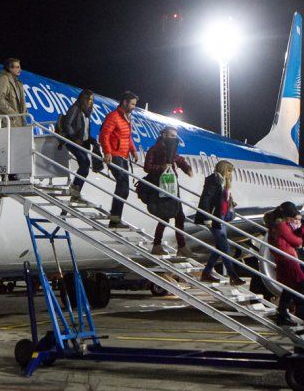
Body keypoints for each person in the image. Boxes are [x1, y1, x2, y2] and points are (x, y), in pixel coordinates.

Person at [143, 126, 193, 256]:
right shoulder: (154, 150)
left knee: (179, 216)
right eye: (171, 136)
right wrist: (161, 167)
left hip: (172, 185)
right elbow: (147, 167)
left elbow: (179, 160)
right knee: (165, 216)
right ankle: (157, 245)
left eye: (175, 136)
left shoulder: (172, 151)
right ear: (164, 135)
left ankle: (181, 247)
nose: (174, 139)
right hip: (162, 185)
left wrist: (187, 169)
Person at [194, 160, 244, 286]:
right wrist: (207, 217)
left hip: (221, 218)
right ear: (223, 169)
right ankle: (233, 276)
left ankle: (206, 272)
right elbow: (206, 199)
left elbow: (221, 199)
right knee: (225, 247)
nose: (230, 174)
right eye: (228, 171)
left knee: (219, 247)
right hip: (214, 218)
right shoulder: (213, 180)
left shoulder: (222, 182)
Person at [99, 91, 139, 229]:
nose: (134, 107)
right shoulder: (113, 117)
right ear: (125, 102)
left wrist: (133, 150)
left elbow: (128, 137)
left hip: (123, 156)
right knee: (122, 182)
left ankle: (116, 218)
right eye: (133, 104)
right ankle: (115, 219)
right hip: (114, 154)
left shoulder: (127, 118)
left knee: (125, 188)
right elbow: (104, 135)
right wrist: (107, 152)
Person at [265, 201, 304, 326]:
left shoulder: (274, 224)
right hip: (288, 258)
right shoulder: (282, 225)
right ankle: (298, 311)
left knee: (289, 287)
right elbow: (294, 240)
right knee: (301, 284)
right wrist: (301, 240)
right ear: (287, 215)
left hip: (283, 258)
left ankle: (283, 313)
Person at [62, 89, 97, 202]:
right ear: (83, 98)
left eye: (92, 100)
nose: (91, 102)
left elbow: (85, 130)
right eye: (89, 99)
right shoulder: (75, 108)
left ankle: (75, 191)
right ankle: (74, 190)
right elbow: (67, 124)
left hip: (82, 142)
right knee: (84, 163)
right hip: (72, 141)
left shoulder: (87, 112)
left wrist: (91, 139)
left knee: (85, 166)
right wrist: (74, 137)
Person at [0, 58, 27, 128]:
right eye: (17, 67)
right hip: (5, 123)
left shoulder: (18, 83)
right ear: (10, 68)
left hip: (15, 123)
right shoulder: (4, 79)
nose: (20, 69)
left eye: (19, 67)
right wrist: (12, 113)